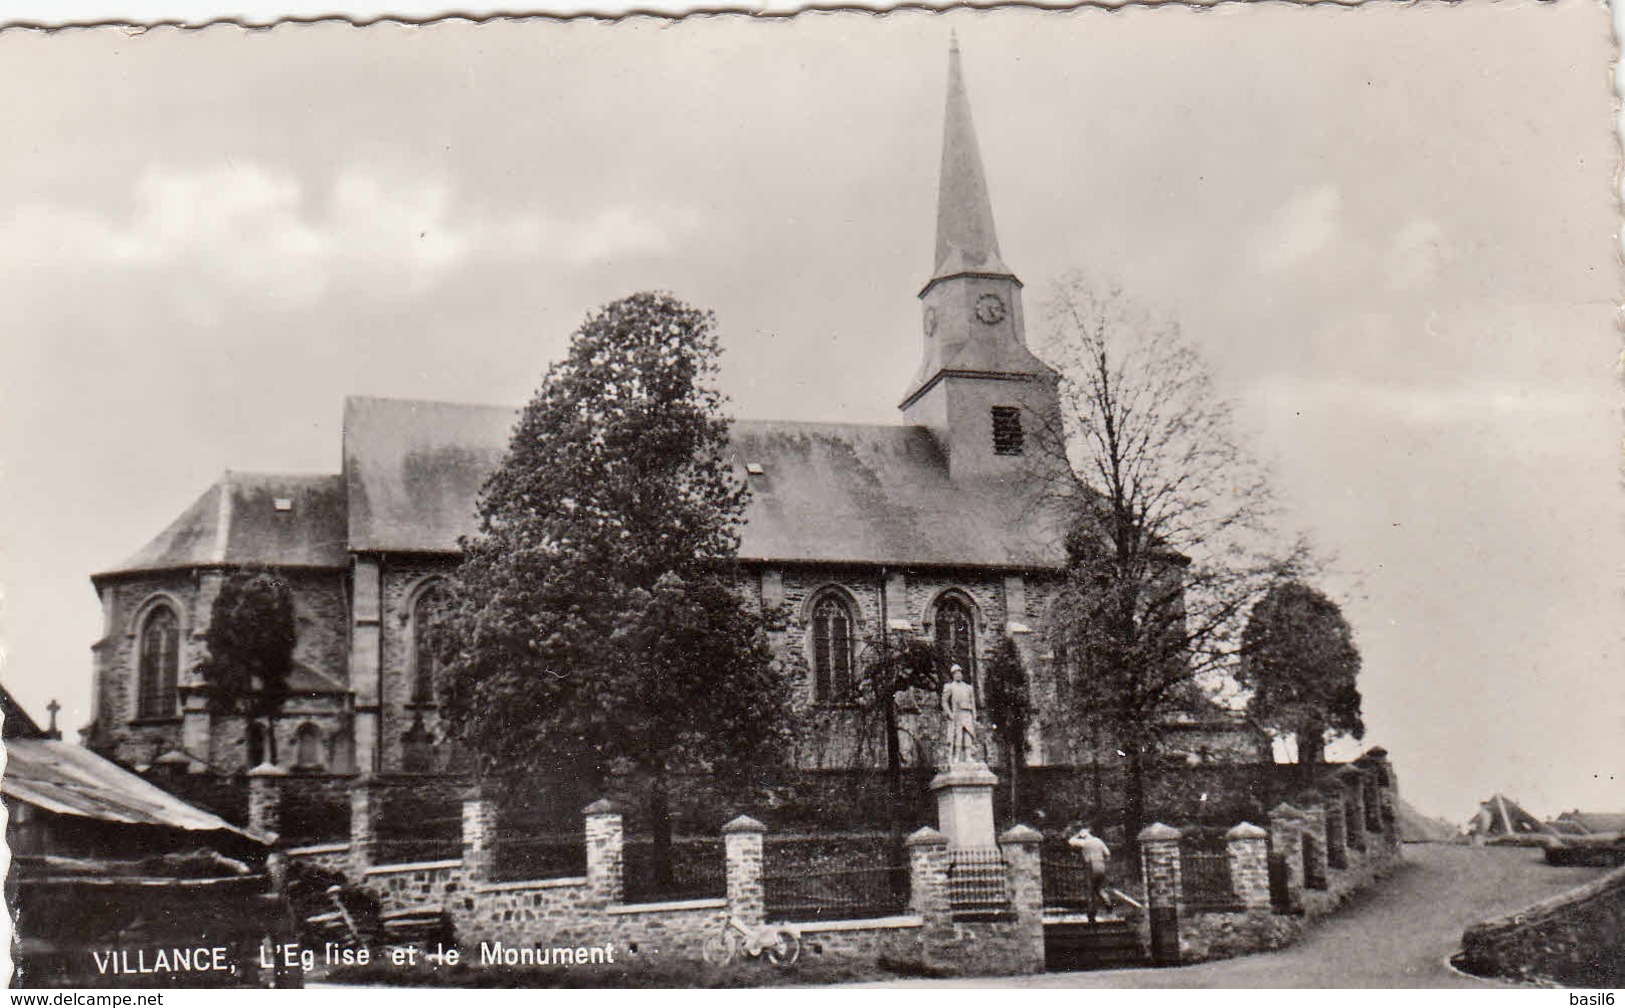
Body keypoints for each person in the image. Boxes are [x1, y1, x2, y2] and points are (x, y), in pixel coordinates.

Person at [1068, 824, 1112, 922]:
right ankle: (1108, 903)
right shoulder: (1098, 841)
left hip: (1090, 866)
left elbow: (1070, 841)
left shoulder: (1083, 842)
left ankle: (1091, 915)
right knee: (1099, 888)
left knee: (1090, 891)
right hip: (1100, 866)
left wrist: (1078, 835)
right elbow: (1107, 853)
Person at [940, 663, 977, 764]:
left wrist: (974, 715)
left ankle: (968, 757)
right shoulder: (949, 687)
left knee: (968, 735)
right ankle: (956, 757)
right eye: (955, 673)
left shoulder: (968, 688)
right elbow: (944, 702)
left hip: (967, 713)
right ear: (952, 675)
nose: (958, 675)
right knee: (958, 736)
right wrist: (950, 713)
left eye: (959, 673)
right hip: (957, 714)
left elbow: (972, 702)